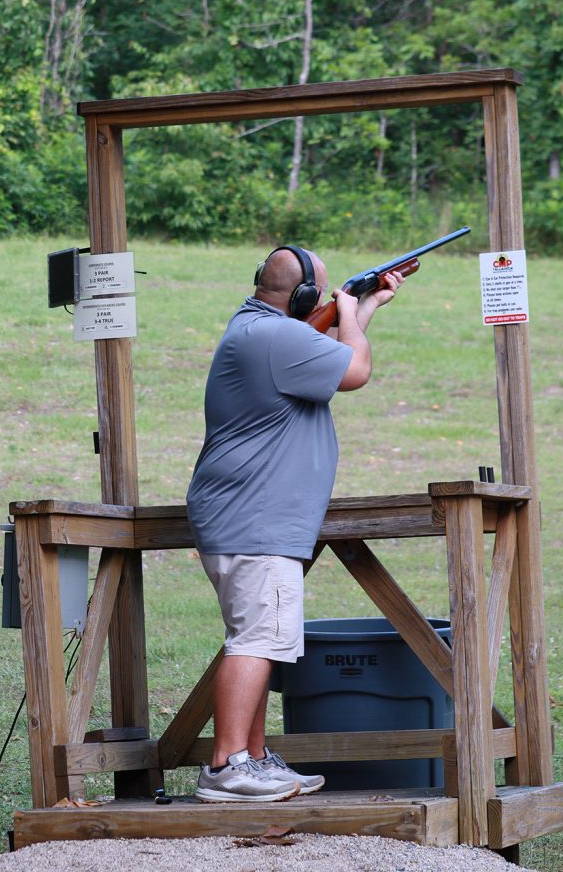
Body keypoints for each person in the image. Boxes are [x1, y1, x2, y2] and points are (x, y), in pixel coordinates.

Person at [186, 244, 404, 803]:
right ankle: (227, 765)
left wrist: (364, 306)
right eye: (323, 293)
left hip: (254, 517)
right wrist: (351, 317)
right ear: (305, 296)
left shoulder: (266, 333)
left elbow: (325, 359)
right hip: (256, 518)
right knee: (257, 639)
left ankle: (253, 760)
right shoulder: (274, 336)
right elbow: (354, 369)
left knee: (260, 639)